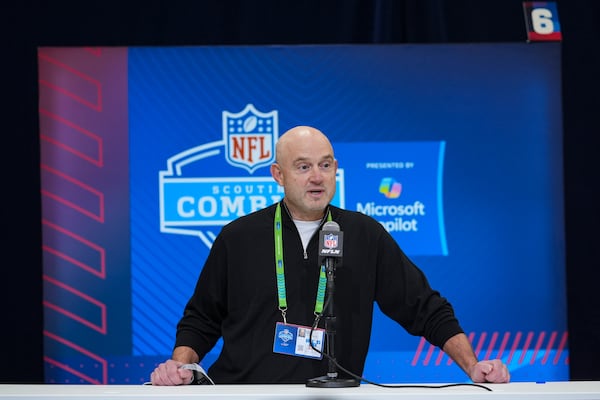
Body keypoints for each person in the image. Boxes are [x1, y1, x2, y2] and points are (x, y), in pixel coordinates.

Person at [150, 125, 510, 385]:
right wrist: (178, 367)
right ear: (278, 174)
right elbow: (201, 318)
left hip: (331, 396)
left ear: (336, 169)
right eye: (303, 167)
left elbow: (426, 308)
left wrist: (473, 367)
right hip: (244, 394)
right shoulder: (238, 236)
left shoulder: (364, 234)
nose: (317, 177)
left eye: (325, 165)